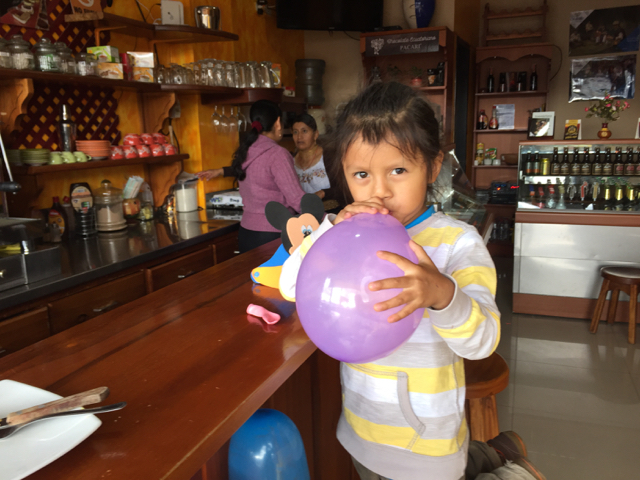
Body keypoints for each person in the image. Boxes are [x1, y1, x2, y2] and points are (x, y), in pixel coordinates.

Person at [279, 82, 544, 480]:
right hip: (361, 428)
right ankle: (493, 454)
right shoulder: (341, 235)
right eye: (362, 174)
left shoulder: (456, 243)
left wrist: (443, 296)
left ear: (432, 167)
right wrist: (327, 231)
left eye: (398, 171)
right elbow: (290, 285)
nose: (380, 191)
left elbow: (483, 341)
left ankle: (509, 472)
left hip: (427, 444)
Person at [197, 100, 306, 253]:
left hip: (246, 233)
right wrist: (327, 220)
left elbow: (242, 169)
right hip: (274, 235)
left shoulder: (246, 150)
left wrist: (221, 171)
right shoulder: (278, 154)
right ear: (278, 123)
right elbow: (297, 200)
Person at [292, 113, 334, 200]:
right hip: (302, 208)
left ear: (315, 135)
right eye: (295, 132)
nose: (299, 137)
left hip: (329, 206)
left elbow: (342, 188)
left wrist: (322, 193)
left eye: (304, 131)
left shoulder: (328, 157)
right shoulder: (290, 160)